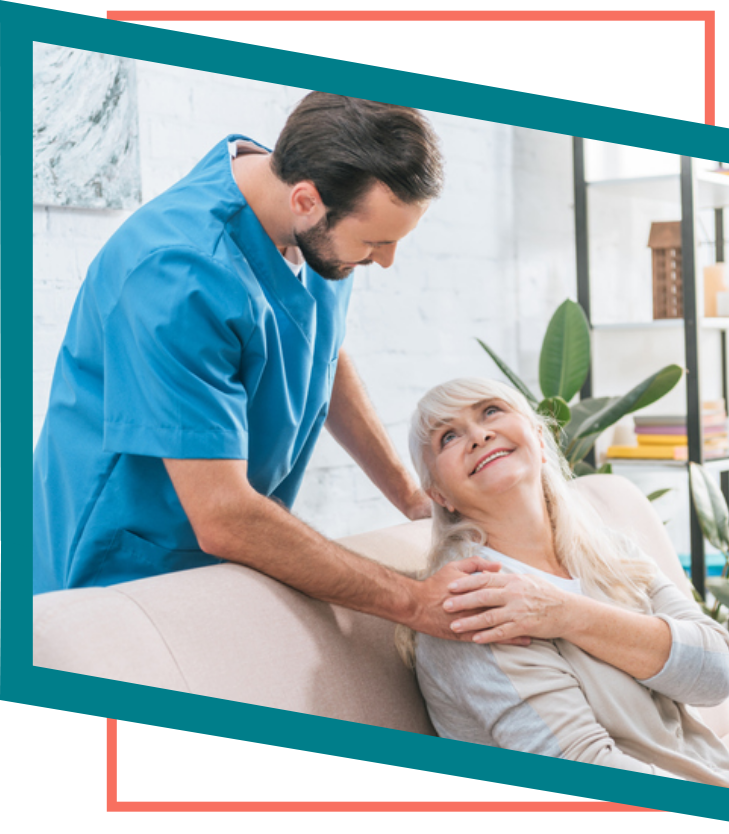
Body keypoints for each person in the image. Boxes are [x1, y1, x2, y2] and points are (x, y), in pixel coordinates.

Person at [32, 93, 514, 643]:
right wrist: (414, 602)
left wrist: (408, 495)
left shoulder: (311, 203)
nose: (385, 261)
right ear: (306, 201)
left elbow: (319, 349)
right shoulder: (176, 275)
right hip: (120, 566)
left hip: (221, 551)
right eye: (376, 243)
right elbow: (223, 514)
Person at [396, 377, 729, 791]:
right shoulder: (472, 602)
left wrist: (564, 614)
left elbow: (716, 674)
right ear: (439, 495)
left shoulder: (607, 551)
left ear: (536, 434)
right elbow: (585, 771)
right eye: (448, 437)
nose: (478, 435)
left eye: (490, 411)